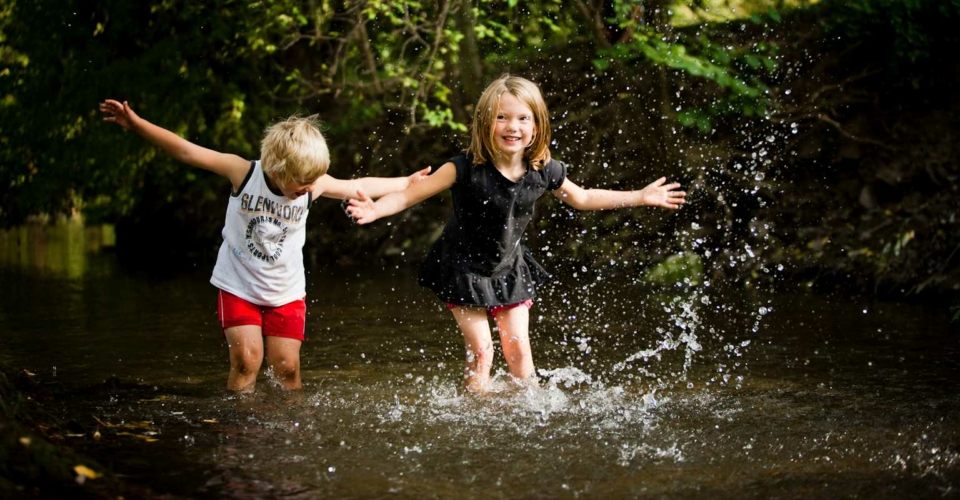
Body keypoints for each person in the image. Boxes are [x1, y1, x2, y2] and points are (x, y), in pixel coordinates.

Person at [345, 75, 687, 394]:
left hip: (509, 268)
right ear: (484, 123)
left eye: (524, 118)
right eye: (502, 118)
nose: (513, 127)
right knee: (482, 353)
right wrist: (375, 209)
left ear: (537, 125)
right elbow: (409, 194)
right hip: (462, 268)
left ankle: (529, 415)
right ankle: (476, 416)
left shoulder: (544, 170)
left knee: (519, 350)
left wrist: (640, 197)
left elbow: (582, 197)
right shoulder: (463, 168)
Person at [100, 99, 430, 392]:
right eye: (301, 185)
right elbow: (187, 151)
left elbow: (358, 185)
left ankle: (287, 436)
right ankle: (241, 429)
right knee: (247, 360)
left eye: (311, 183)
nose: (308, 189)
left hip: (285, 291)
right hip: (238, 284)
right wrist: (137, 124)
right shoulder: (243, 173)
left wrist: (406, 182)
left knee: (287, 369)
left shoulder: (312, 184)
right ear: (275, 169)